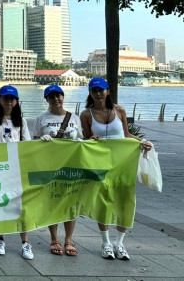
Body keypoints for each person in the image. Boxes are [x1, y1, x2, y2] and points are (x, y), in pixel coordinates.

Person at [79, 77, 153, 261]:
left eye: (101, 90)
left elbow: (127, 134)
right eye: (94, 90)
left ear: (107, 91)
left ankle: (120, 243)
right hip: (101, 164)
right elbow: (87, 139)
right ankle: (106, 243)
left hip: (123, 163)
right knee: (103, 201)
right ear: (90, 93)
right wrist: (91, 140)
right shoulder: (86, 114)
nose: (98, 93)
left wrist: (143, 142)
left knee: (124, 200)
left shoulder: (119, 110)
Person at [0, 85, 33, 261]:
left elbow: (27, 144)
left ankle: (25, 242)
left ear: (16, 101)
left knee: (21, 205)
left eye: (12, 99)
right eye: (5, 98)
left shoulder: (21, 121)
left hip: (16, 168)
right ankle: (0, 239)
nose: (9, 102)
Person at [33, 84, 83, 256]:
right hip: (51, 166)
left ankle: (69, 239)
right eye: (51, 96)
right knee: (52, 201)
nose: (56, 99)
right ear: (46, 99)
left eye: (58, 96)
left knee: (71, 201)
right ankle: (54, 238)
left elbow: (82, 139)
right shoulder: (41, 118)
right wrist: (41, 141)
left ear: (63, 97)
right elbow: (34, 142)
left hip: (71, 165)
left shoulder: (74, 117)